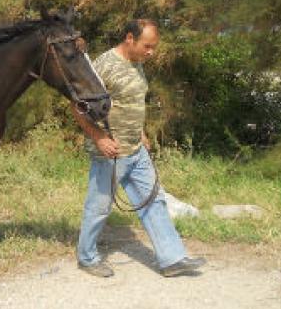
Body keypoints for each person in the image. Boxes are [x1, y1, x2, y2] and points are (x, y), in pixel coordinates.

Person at [73, 19, 205, 278]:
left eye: (154, 47)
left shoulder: (137, 64)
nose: (151, 52)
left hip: (136, 149)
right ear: (129, 39)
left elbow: (130, 101)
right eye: (147, 46)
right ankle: (87, 257)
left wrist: (141, 132)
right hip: (109, 152)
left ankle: (172, 259)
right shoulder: (104, 65)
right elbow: (78, 106)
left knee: (153, 200)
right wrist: (99, 137)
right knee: (99, 207)